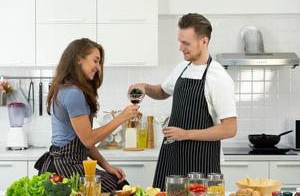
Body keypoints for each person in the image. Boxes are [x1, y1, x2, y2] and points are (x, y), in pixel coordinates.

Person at [129, 13, 237, 190]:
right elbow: (163, 91)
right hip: (171, 156)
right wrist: (144, 87)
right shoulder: (183, 67)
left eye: (185, 43)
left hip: (200, 163)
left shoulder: (218, 77)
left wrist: (186, 134)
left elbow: (229, 128)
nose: (180, 48)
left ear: (204, 41)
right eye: (180, 42)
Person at [35, 38, 140, 192]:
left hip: (66, 164)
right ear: (79, 59)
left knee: (120, 185)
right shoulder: (73, 93)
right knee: (122, 188)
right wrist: (121, 118)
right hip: (65, 167)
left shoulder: (69, 89)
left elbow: (84, 143)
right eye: (95, 61)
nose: (98, 67)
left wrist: (107, 166)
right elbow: (89, 139)